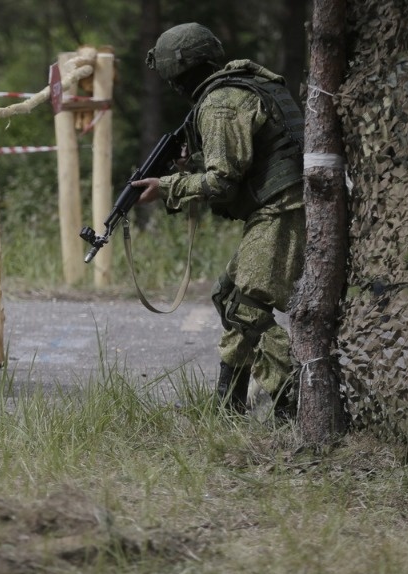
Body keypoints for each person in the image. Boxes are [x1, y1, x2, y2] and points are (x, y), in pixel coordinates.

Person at [132, 23, 305, 418]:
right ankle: (230, 408)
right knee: (228, 296)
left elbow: (222, 183)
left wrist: (168, 186)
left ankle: (294, 402)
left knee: (244, 307)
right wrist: (188, 165)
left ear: (179, 71)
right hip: (281, 204)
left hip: (284, 207)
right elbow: (242, 163)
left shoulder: (221, 103)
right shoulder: (242, 86)